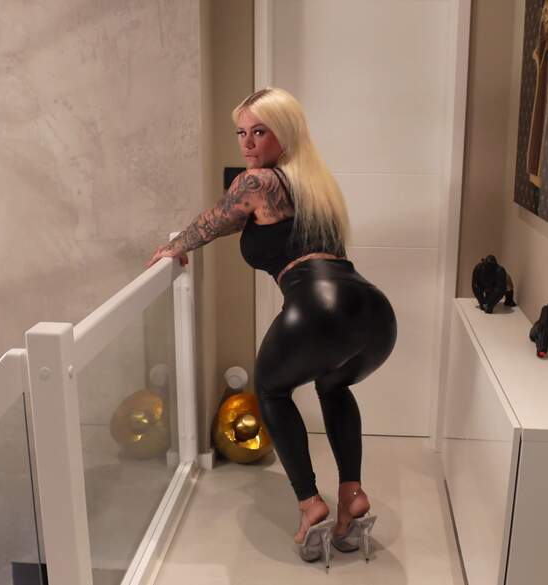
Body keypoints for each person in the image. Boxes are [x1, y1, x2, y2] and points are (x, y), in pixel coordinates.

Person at [145, 87, 397, 566]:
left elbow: (214, 220)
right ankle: (352, 496)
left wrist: (175, 246)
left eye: (259, 132)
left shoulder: (257, 182)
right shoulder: (316, 185)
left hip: (318, 307)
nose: (247, 143)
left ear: (285, 132)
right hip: (375, 314)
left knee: (270, 390)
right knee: (334, 386)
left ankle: (310, 503)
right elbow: (239, 222)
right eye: (241, 132)